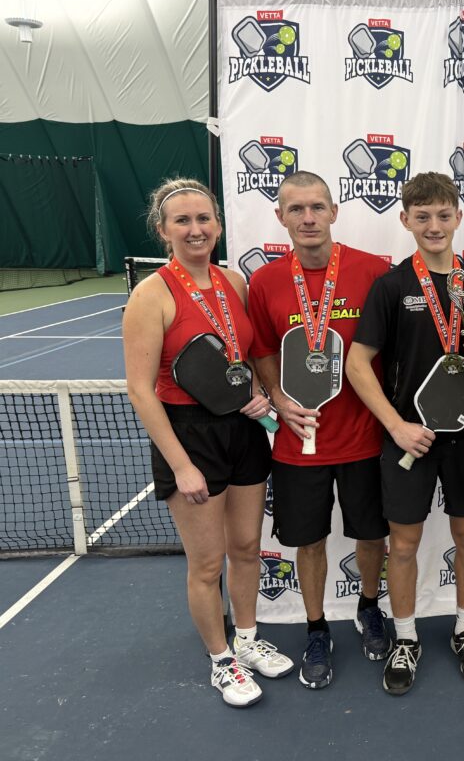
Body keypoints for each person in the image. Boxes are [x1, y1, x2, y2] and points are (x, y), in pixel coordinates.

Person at [124, 178, 292, 707]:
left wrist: (260, 396)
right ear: (163, 230)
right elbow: (140, 390)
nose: (195, 230)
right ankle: (221, 660)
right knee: (206, 562)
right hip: (187, 434)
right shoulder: (151, 294)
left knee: (246, 548)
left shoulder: (234, 282)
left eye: (204, 219)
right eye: (183, 221)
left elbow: (236, 363)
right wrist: (181, 466)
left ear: (218, 225)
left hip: (242, 430)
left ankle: (246, 640)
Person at [347, 172, 464, 695]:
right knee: (405, 543)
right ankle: (406, 637)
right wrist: (396, 426)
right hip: (409, 439)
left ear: (459, 217)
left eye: (443, 215)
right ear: (406, 221)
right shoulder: (392, 286)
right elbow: (357, 363)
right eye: (422, 217)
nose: (433, 226)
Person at [248, 171, 392, 690]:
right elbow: (262, 349)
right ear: (280, 216)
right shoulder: (263, 283)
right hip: (296, 445)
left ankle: (370, 607)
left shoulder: (373, 273)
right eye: (296, 209)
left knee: (371, 533)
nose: (307, 218)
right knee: (308, 542)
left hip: (365, 439)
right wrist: (279, 400)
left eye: (316, 207)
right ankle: (315, 628)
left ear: (334, 212)